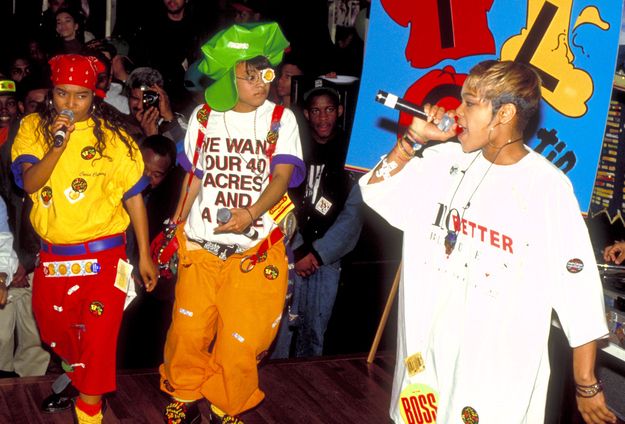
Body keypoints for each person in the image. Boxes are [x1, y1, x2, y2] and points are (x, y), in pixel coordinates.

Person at [360, 60, 616, 424]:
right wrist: (414, 139)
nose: (456, 111)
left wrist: (586, 382)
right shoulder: (440, 160)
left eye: (470, 102)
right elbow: (374, 190)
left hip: (494, 383)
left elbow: (578, 290)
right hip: (425, 371)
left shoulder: (546, 187)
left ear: (505, 113)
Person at [158, 22, 304, 424]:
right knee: (188, 332)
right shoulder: (205, 117)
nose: (262, 83)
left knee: (242, 340)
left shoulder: (280, 119)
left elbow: (281, 177)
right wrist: (176, 223)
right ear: (228, 78)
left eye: (266, 74)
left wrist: (251, 214)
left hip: (254, 251)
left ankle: (226, 405)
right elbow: (194, 176)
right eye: (250, 76)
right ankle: (184, 394)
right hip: (201, 247)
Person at [11, 53, 158, 424]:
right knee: (55, 335)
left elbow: (134, 197)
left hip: (105, 259)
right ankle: (81, 381)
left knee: (96, 343)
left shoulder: (115, 137)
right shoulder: (32, 128)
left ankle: (89, 407)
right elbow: (29, 183)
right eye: (62, 94)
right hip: (54, 258)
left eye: (80, 96)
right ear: (51, 94)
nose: (70, 104)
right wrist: (56, 146)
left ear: (95, 96)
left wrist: (143, 256)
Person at [271, 86, 362, 358]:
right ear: (307, 115)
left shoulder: (352, 156)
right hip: (288, 252)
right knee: (279, 329)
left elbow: (355, 212)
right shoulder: (291, 148)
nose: (323, 117)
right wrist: (297, 249)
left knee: (315, 332)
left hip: (326, 259)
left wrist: (319, 254)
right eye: (316, 111)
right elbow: (276, 197)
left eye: (330, 110)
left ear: (340, 111)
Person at [124, 66, 187, 144]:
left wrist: (168, 118)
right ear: (128, 96)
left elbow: (183, 153)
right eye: (135, 98)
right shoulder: (120, 124)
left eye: (147, 99)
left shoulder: (178, 122)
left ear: (161, 98)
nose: (140, 106)